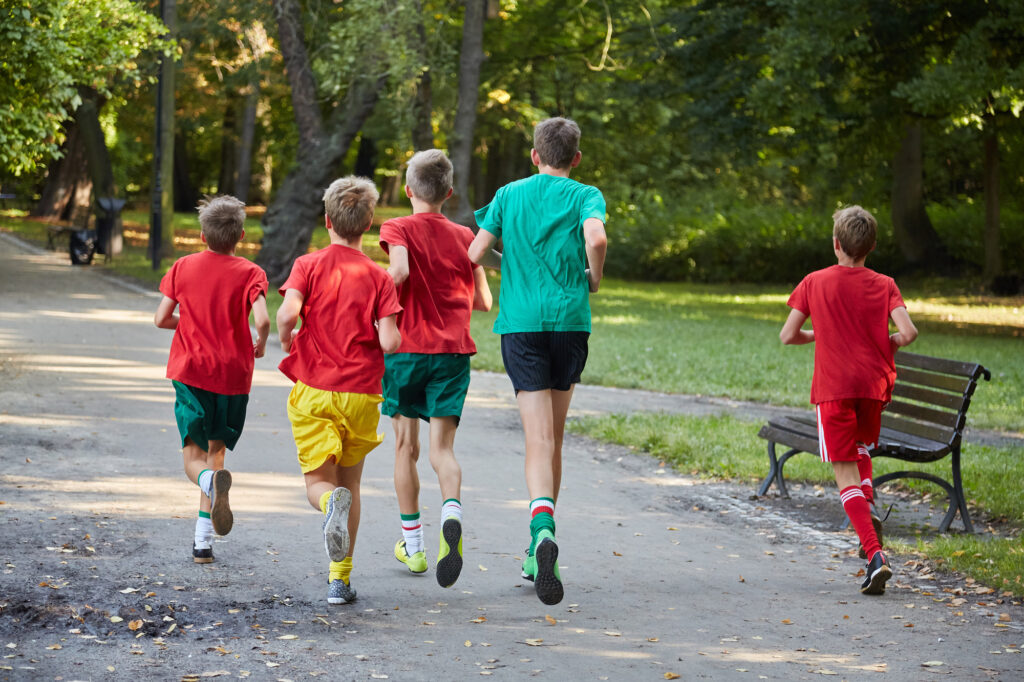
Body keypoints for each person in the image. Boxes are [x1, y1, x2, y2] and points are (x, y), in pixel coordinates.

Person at [468, 117, 608, 605]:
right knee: (556, 439)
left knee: (537, 439)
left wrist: (512, 265)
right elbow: (597, 239)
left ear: (534, 155)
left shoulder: (509, 194)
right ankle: (537, 548)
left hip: (523, 324)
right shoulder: (587, 194)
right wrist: (594, 278)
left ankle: (541, 531)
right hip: (569, 324)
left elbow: (475, 252)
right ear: (576, 158)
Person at [779, 205, 918, 595]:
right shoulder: (886, 283)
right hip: (872, 388)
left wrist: (820, 336)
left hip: (834, 389)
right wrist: (884, 343)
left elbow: (788, 335)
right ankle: (869, 509)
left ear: (836, 244)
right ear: (871, 246)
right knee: (860, 450)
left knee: (844, 476)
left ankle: (875, 556)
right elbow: (908, 333)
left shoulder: (814, 282)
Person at [276, 176, 402, 605]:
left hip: (314, 389)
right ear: (368, 224)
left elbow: (287, 313)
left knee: (321, 485)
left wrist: (286, 338)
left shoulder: (307, 265)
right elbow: (389, 342)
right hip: (362, 394)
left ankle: (329, 504)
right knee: (353, 485)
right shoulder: (379, 277)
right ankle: (340, 580)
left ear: (326, 220)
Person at [379, 149, 492, 588]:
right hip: (452, 353)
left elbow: (399, 271)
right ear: (449, 192)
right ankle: (452, 514)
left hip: (406, 352)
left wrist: (373, 299)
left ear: (408, 190)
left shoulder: (397, 226)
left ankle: (415, 547)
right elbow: (483, 302)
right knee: (442, 451)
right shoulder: (466, 234)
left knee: (405, 449)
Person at [154, 195, 270, 564]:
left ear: (202, 236)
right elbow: (263, 320)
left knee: (194, 455)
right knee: (215, 452)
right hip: (233, 374)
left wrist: (187, 323)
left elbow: (161, 318)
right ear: (241, 236)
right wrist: (261, 342)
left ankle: (207, 485)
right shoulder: (252, 273)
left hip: (193, 370)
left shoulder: (183, 267)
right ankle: (202, 542)